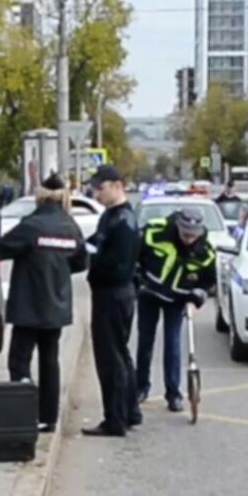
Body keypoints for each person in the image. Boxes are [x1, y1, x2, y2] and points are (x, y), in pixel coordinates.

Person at [0, 174, 87, 432]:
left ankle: (23, 413)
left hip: (29, 305)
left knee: (20, 359)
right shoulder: (70, 226)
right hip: (56, 305)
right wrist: (57, 271)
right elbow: (81, 262)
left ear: (39, 197)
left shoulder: (32, 226)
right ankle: (49, 417)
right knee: (50, 360)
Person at [135, 208, 215, 413]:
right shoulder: (154, 232)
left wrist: (195, 299)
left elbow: (207, 281)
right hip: (149, 294)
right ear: (177, 226)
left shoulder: (205, 252)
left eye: (193, 235)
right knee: (145, 342)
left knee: (173, 344)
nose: (188, 238)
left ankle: (173, 394)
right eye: (185, 233)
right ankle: (140, 387)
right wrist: (138, 280)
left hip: (177, 300)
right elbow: (135, 257)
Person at [83, 165, 141, 438]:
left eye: (100, 187)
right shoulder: (112, 216)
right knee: (120, 354)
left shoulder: (124, 221)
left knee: (110, 358)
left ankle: (115, 419)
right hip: (114, 293)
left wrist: (93, 264)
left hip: (113, 294)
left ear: (117, 185)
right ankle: (129, 411)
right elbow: (96, 243)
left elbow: (116, 264)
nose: (96, 193)